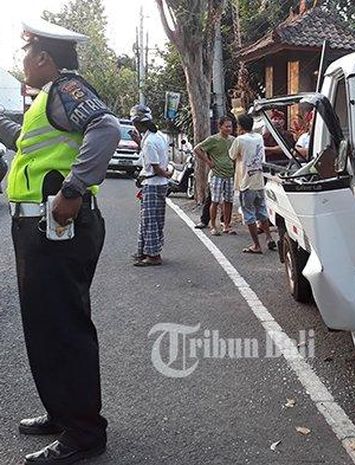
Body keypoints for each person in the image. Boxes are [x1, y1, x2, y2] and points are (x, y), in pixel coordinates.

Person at [0, 18, 120, 464]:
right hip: (39, 230)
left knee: (63, 329)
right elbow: (27, 142)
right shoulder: (46, 101)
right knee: (45, 327)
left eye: (27, 55)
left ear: (44, 58)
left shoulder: (67, 88)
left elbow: (105, 127)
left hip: (58, 227)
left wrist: (73, 189)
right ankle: (63, 412)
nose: (23, 63)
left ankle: (84, 432)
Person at [130, 104, 171, 266]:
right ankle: (145, 251)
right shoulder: (158, 136)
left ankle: (153, 255)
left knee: (150, 220)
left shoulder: (149, 142)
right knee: (152, 219)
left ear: (137, 123)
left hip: (153, 183)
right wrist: (139, 142)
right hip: (158, 183)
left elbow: (156, 167)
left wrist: (166, 173)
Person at [230, 114, 276, 254]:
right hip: (258, 179)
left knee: (248, 213)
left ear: (240, 126)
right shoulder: (258, 137)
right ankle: (268, 238)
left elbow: (232, 155)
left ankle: (256, 245)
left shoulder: (239, 139)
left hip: (246, 181)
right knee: (261, 211)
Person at [194, 116, 236, 235]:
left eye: (230, 126)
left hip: (230, 174)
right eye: (227, 126)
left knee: (229, 201)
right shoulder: (213, 139)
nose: (229, 129)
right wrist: (208, 162)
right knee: (215, 201)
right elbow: (197, 149)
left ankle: (226, 225)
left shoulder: (233, 140)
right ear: (220, 127)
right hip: (217, 174)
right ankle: (213, 226)